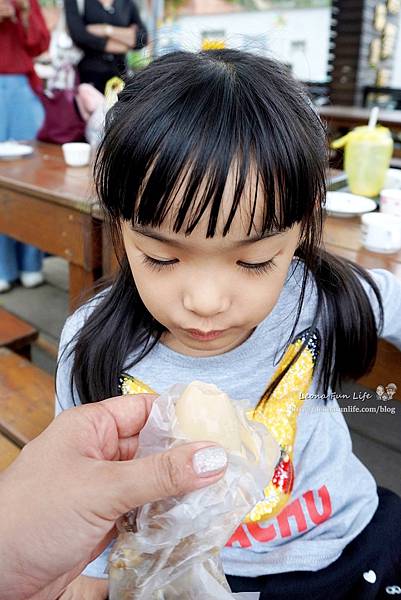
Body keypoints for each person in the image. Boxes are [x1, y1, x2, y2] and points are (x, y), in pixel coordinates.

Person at [56, 50, 401, 599]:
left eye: (254, 261)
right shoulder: (95, 345)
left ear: (305, 221)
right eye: (163, 258)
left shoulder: (316, 294)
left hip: (349, 537)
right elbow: (81, 493)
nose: (206, 301)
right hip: (195, 571)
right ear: (119, 223)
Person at [0, 393, 227, 600]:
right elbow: (69, 467)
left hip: (246, 564)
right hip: (110, 565)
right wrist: (89, 572)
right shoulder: (84, 356)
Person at [0, 0, 49, 293]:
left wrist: (26, 13)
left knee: (31, 172)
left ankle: (32, 262)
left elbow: (40, 45)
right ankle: (2, 265)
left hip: (21, 86)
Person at [64, 0, 148, 93]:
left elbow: (143, 39)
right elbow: (79, 35)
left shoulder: (127, 3)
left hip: (120, 75)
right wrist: (126, 41)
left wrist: (106, 30)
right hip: (88, 78)